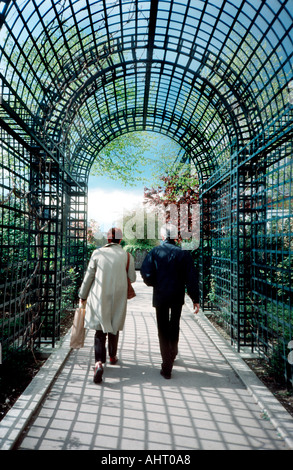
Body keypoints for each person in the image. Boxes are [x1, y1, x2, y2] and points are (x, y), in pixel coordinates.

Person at [140, 223, 200, 379]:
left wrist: (154, 283)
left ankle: (167, 363)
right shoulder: (184, 254)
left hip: (160, 294)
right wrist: (195, 298)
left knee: (162, 328)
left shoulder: (154, 252)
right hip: (177, 295)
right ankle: (172, 353)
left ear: (162, 236)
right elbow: (191, 278)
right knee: (174, 325)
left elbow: (145, 272)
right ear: (176, 237)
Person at [79, 227, 136, 384]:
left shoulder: (97, 253)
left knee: (99, 331)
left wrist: (82, 296)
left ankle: (98, 363)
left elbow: (89, 276)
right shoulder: (127, 256)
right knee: (114, 326)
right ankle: (112, 356)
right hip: (118, 297)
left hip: (99, 297)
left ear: (108, 239)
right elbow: (132, 277)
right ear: (120, 239)